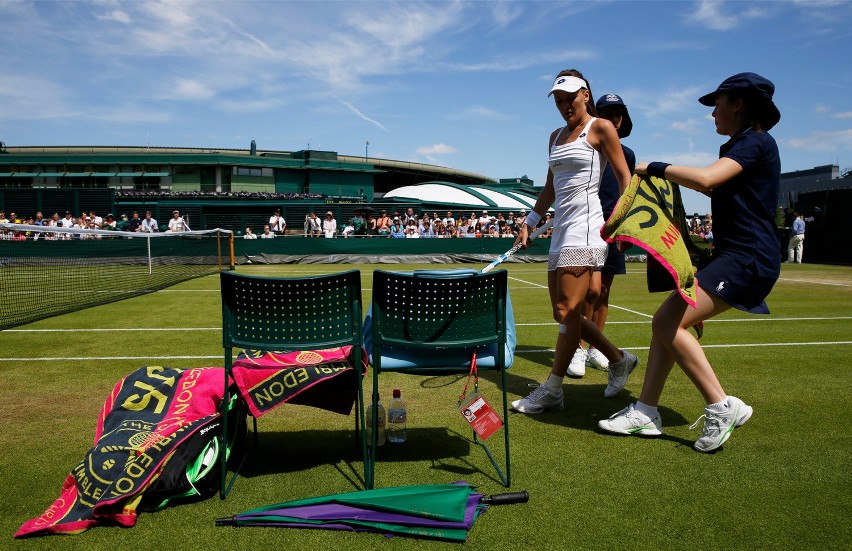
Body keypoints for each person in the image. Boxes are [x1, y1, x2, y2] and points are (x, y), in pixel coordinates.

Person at [598, 72, 782, 453]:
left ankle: (721, 405)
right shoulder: (739, 144)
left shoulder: (756, 142)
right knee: (667, 324)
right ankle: (646, 411)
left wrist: (651, 166)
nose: (713, 113)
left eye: (718, 103)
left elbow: (708, 181)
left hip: (748, 258)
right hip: (734, 256)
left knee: (667, 321)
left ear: (739, 104)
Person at [511, 69, 637, 415]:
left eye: (570, 98)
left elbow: (625, 178)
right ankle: (618, 359)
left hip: (587, 227)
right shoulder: (554, 136)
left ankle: (552, 389)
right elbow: (550, 187)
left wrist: (623, 224)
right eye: (559, 100)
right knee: (562, 312)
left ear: (586, 94)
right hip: (562, 229)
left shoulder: (601, 128)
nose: (565, 105)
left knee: (568, 310)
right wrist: (530, 221)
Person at [580, 93, 637, 374]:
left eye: (618, 113)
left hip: (613, 230)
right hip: (588, 227)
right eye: (607, 112)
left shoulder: (627, 155)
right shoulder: (587, 147)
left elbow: (626, 194)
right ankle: (579, 349)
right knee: (587, 293)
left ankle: (594, 350)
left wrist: (624, 227)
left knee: (603, 291)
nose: (613, 118)